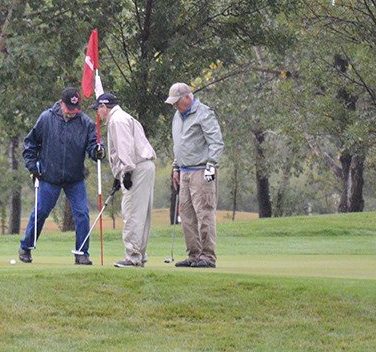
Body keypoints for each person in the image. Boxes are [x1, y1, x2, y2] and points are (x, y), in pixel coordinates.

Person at [18, 87, 106, 265]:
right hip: (49, 176)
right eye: (69, 109)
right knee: (41, 212)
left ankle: (82, 253)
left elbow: (94, 144)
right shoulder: (46, 119)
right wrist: (32, 167)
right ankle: (26, 246)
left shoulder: (86, 122)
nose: (72, 113)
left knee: (82, 214)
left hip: (75, 178)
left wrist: (98, 150)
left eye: (75, 110)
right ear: (61, 104)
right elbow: (30, 144)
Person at [91, 93, 157, 268]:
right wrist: (117, 177)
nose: (98, 113)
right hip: (143, 166)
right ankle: (139, 256)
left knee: (132, 213)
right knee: (141, 214)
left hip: (136, 168)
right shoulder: (123, 117)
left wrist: (126, 172)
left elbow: (125, 146)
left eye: (98, 108)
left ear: (105, 107)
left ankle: (133, 257)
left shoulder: (117, 120)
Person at [165, 83, 224, 268]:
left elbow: (216, 142)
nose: (175, 106)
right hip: (184, 171)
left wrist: (211, 165)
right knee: (187, 216)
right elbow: (180, 145)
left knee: (204, 213)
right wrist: (176, 167)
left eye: (177, 102)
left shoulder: (204, 113)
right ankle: (194, 255)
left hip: (202, 170)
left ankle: (208, 257)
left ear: (187, 98)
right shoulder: (177, 116)